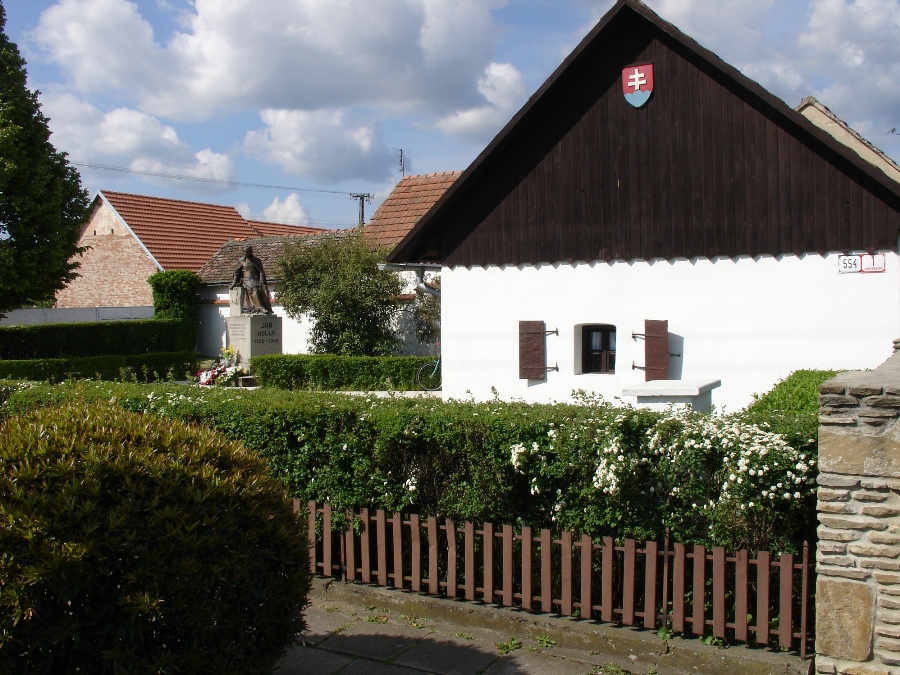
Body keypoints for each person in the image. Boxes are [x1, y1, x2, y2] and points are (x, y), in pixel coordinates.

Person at [231, 245, 274, 314]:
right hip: (246, 280)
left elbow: (261, 272)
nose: (245, 253)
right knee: (255, 289)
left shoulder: (256, 260)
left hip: (256, 279)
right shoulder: (242, 261)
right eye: (244, 252)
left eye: (247, 251)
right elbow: (236, 273)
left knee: (263, 289)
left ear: (250, 252)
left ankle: (266, 307)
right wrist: (234, 283)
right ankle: (260, 308)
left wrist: (262, 281)